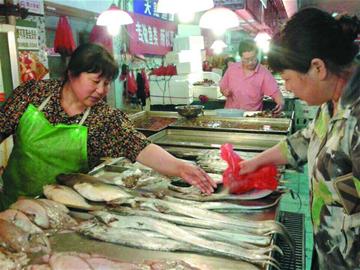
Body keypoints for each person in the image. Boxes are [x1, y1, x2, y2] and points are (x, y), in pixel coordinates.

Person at [0, 43, 216, 210]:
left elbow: (139, 147)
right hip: (13, 203)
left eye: (106, 83)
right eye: (95, 82)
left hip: (67, 208)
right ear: (71, 73)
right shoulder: (33, 94)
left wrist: (180, 166)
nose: (101, 91)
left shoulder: (104, 118)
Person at [239, 8, 360, 270]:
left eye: (289, 79)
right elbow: (306, 139)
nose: (288, 88)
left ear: (318, 67)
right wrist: (256, 162)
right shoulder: (332, 102)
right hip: (329, 249)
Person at [219, 39, 284, 113]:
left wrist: (281, 103)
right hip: (231, 114)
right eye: (246, 59)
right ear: (241, 57)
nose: (250, 62)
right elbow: (222, 87)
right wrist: (224, 91)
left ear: (256, 54)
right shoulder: (232, 69)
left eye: (253, 58)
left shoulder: (264, 73)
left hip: (251, 117)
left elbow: (275, 92)